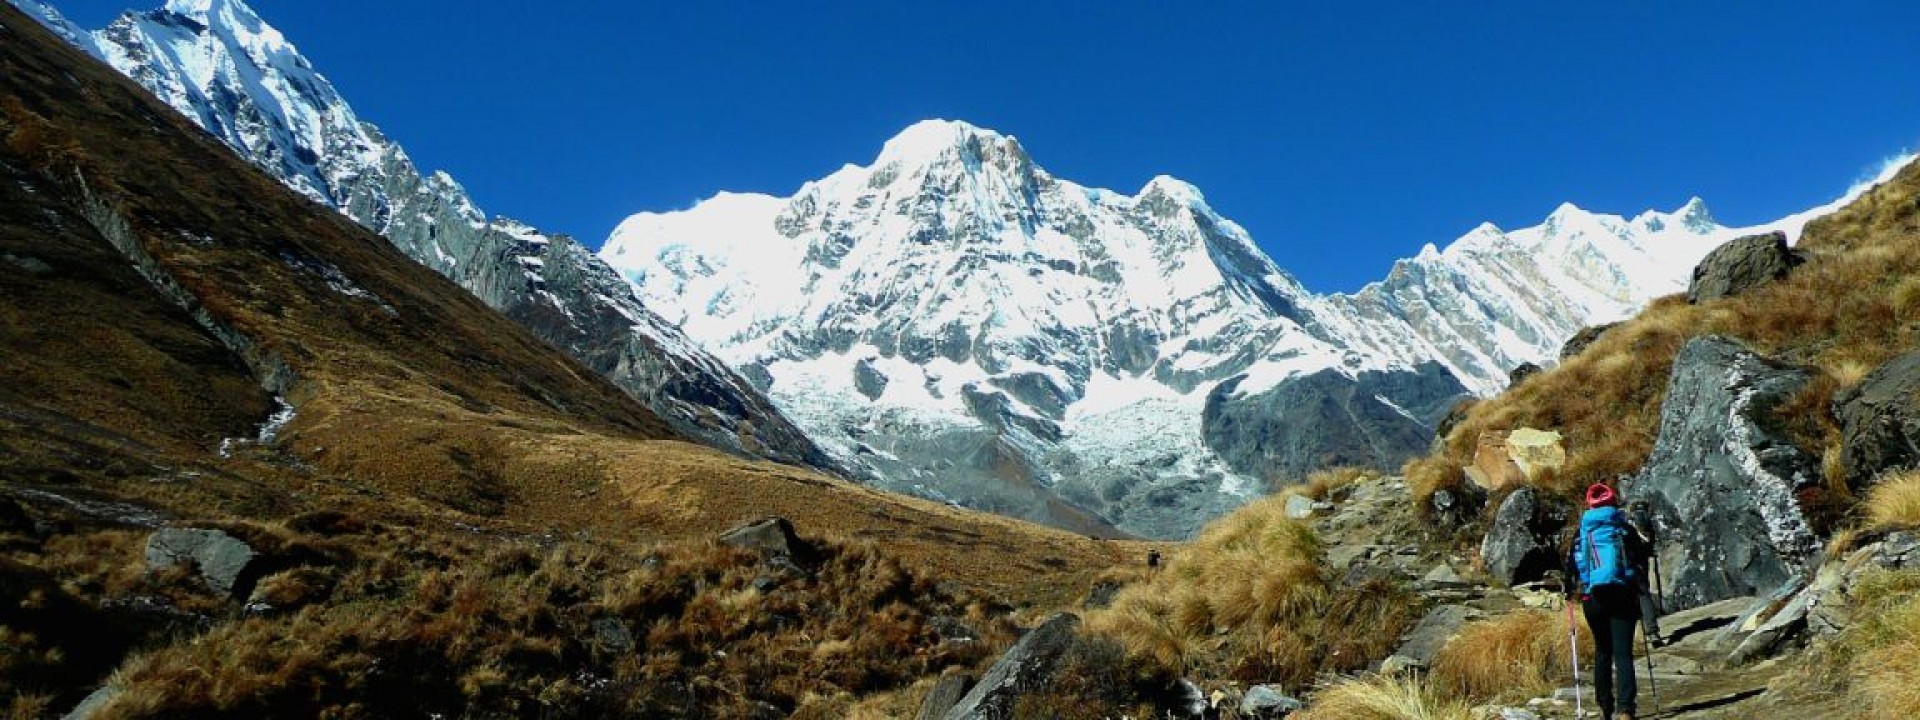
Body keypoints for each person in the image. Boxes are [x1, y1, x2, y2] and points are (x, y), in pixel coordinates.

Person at [1571, 482, 1645, 720]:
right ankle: (1626, 710)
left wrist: (1575, 591)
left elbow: (1572, 566)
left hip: (1593, 597)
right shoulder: (1623, 527)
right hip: (1622, 594)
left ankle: (1605, 707)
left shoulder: (1582, 531)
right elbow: (1641, 558)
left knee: (1603, 651)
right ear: (1613, 501)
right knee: (1623, 653)